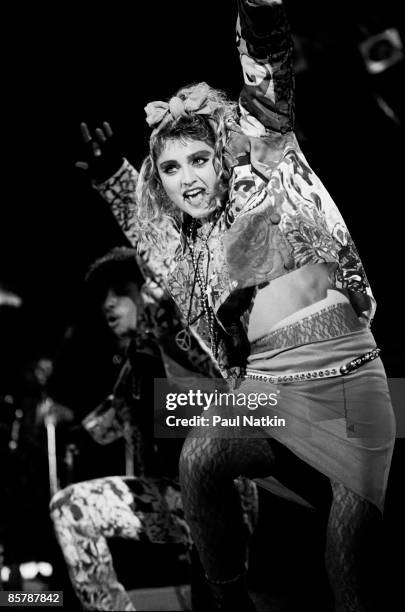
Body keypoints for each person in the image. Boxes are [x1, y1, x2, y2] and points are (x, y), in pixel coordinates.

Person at [81, 2, 396, 610]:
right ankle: (228, 605)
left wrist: (263, 37)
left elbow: (270, 97)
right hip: (269, 387)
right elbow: (145, 230)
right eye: (171, 169)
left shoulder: (268, 172)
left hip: (347, 379)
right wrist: (108, 174)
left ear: (222, 156)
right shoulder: (187, 253)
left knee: (346, 549)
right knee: (200, 455)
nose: (189, 179)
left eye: (199, 161)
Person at [49, 247, 258, 611]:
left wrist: (165, 322)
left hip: (222, 497)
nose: (108, 304)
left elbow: (223, 383)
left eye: (120, 292)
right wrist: (62, 419)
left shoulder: (184, 339)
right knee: (71, 507)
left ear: (147, 291)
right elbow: (108, 419)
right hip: (172, 498)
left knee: (221, 603)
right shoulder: (136, 361)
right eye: (104, 297)